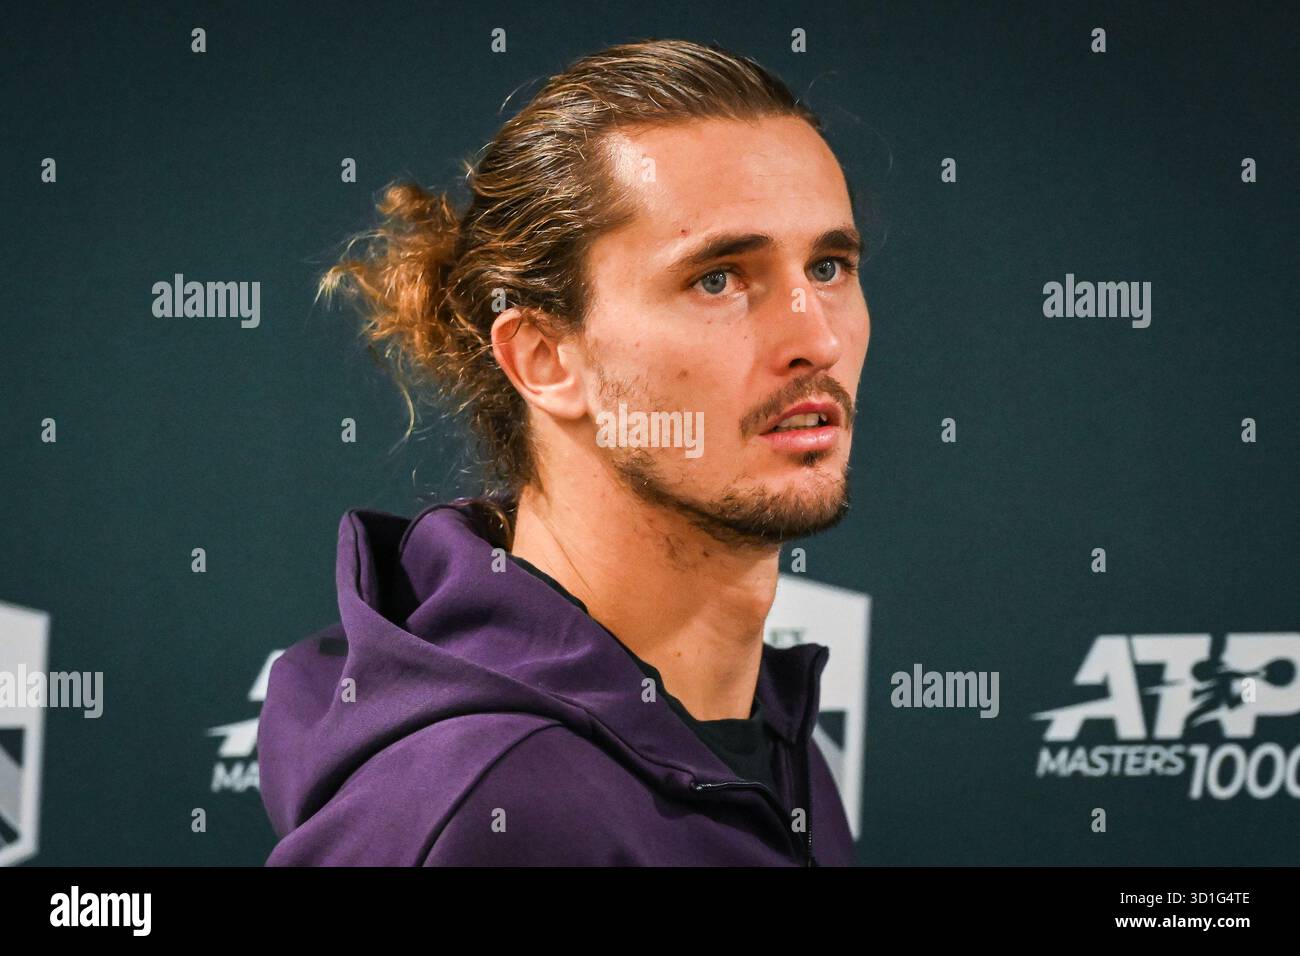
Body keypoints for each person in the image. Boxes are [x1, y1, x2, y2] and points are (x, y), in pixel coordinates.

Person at [258, 37, 870, 866]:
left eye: (829, 266)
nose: (817, 336)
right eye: (719, 279)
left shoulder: (767, 739)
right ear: (545, 359)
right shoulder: (483, 809)